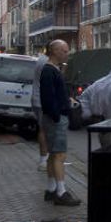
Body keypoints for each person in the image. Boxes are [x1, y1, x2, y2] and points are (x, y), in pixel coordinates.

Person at [39, 40, 81, 206]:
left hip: (54, 117)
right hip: (55, 119)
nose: (67, 54)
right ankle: (61, 192)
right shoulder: (49, 71)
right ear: (55, 51)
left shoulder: (52, 69)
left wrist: (66, 101)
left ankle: (51, 189)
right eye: (64, 51)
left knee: (53, 154)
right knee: (59, 155)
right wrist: (57, 116)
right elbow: (48, 97)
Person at [31, 47, 50, 171]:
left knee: (43, 129)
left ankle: (46, 159)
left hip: (39, 100)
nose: (66, 54)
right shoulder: (46, 63)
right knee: (44, 130)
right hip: (43, 101)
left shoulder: (41, 60)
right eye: (63, 51)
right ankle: (44, 161)